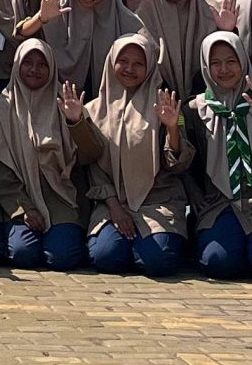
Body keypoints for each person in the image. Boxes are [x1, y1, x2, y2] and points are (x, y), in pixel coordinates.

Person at [73, 32, 190, 276]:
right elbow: (92, 166)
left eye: (139, 63)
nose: (129, 69)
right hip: (112, 202)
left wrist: (172, 128)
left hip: (158, 200)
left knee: (158, 261)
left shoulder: (167, 106)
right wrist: (114, 206)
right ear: (111, 62)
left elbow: (177, 165)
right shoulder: (92, 110)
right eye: (123, 61)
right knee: (106, 257)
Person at [183, 31, 252, 280]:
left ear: (243, 62)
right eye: (216, 63)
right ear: (205, 66)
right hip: (219, 202)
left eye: (231, 61)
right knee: (217, 263)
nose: (224, 69)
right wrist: (195, 194)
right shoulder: (194, 110)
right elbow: (183, 165)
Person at [0, 38, 88, 269]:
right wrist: (23, 207)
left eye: (42, 64)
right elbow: (0, 164)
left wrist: (76, 122)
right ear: (17, 65)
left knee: (62, 258)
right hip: (21, 195)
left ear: (52, 68)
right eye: (28, 63)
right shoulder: (4, 105)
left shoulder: (66, 102)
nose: (34, 69)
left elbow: (89, 156)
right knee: (23, 254)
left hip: (62, 198)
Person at [26, 0, 137, 93]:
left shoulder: (123, 17)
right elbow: (21, 33)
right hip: (57, 92)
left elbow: (148, 50)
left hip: (110, 95)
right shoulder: (55, 6)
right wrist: (41, 18)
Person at [129, 0, 210, 99]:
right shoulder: (138, 20)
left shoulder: (210, 15)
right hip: (156, 107)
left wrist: (229, 29)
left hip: (202, 108)